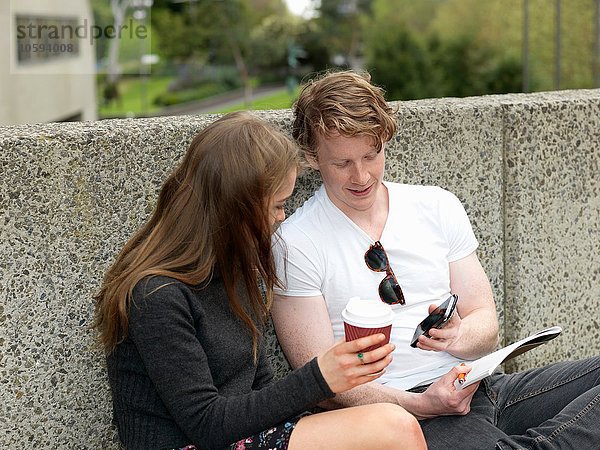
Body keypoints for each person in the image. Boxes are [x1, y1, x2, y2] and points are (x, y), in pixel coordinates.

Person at [271, 71, 600, 449]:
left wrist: (460, 336)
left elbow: (484, 321)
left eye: (370, 155)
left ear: (385, 141)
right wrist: (423, 404)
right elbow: (319, 385)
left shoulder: (435, 205)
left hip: (478, 384)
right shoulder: (294, 242)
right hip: (403, 411)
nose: (361, 176)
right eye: (342, 163)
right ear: (313, 157)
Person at [93, 111, 427, 450]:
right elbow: (206, 424)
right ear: (235, 207)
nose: (282, 217)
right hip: (191, 442)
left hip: (243, 437)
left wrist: (336, 388)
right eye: (277, 205)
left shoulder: (235, 272)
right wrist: (320, 377)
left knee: (387, 426)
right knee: (393, 429)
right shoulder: (155, 295)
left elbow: (260, 390)